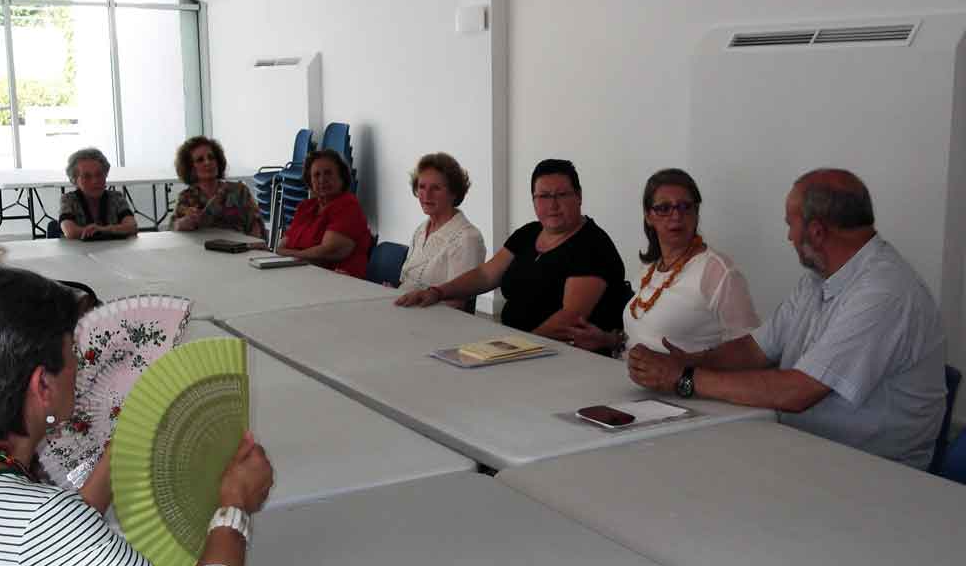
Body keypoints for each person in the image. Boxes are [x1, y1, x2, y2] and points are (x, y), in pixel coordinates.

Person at [0, 266, 296, 566]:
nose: (80, 371)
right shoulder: (39, 526)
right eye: (72, 354)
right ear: (42, 383)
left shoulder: (6, 495)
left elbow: (50, 555)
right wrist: (233, 507)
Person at [628, 168, 946, 470]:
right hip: (806, 448)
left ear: (817, 231)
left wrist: (685, 379)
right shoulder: (818, 279)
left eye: (790, 225)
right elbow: (756, 349)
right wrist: (691, 361)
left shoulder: (884, 292)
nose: (789, 237)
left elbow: (796, 392)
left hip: (875, 471)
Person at [397, 159, 627, 350]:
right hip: (516, 345)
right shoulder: (528, 233)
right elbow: (486, 275)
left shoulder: (592, 246)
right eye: (544, 196)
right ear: (534, 200)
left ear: (578, 196)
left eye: (561, 195)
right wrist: (438, 292)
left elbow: (570, 319)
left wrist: (515, 348)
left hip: (558, 355)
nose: (553, 205)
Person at [565, 169, 759, 357]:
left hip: (679, 387)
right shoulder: (650, 268)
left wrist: (687, 368)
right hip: (627, 376)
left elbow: (749, 353)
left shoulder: (718, 271)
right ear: (649, 216)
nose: (676, 216)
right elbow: (645, 338)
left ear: (696, 212)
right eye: (664, 208)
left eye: (684, 206)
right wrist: (608, 340)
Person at [398, 153, 486, 310]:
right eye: (421, 187)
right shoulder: (421, 230)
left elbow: (456, 304)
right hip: (407, 311)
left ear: (454, 193)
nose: (426, 195)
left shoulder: (467, 239)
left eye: (436, 188)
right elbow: (408, 282)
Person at [275, 149, 373, 278]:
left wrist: (288, 254)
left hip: (339, 282)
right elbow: (283, 245)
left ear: (341, 177)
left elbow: (327, 252)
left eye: (328, 173)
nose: (322, 180)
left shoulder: (348, 206)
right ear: (310, 181)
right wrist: (286, 252)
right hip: (302, 276)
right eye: (316, 175)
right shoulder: (305, 207)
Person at [171, 136, 265, 238]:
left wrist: (253, 248)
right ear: (191, 168)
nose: (207, 162)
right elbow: (171, 229)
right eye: (200, 160)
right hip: (200, 251)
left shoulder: (239, 191)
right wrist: (181, 224)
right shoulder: (186, 197)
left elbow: (257, 226)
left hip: (239, 250)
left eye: (211, 157)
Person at [59, 148, 138, 240]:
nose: (95, 181)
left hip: (114, 251)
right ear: (75, 180)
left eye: (99, 174)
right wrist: (114, 230)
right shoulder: (69, 199)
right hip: (80, 252)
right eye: (87, 176)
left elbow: (132, 227)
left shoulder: (116, 198)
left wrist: (102, 230)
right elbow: (70, 232)